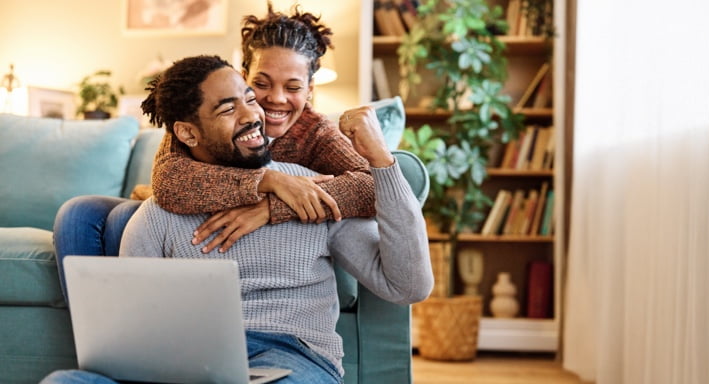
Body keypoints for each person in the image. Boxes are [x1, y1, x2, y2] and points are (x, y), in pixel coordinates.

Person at [42, 55, 432, 384]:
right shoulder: (160, 213)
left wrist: (382, 161)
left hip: (292, 359)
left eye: (249, 99)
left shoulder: (311, 192)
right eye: (228, 108)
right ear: (187, 133)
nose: (254, 114)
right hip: (189, 365)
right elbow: (133, 335)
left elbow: (407, 286)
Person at [54, 3, 379, 299]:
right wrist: (270, 181)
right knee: (79, 213)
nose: (276, 99)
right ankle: (98, 334)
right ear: (243, 77)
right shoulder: (207, 117)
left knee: (126, 218)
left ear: (310, 90)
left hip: (214, 231)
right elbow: (169, 181)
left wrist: (272, 208)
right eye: (261, 85)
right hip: (181, 209)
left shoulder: (316, 132)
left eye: (292, 88)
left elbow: (373, 188)